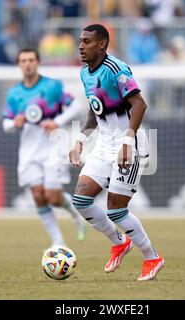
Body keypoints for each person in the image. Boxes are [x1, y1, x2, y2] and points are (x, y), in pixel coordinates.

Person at [69, 24, 164, 281]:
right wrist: (80, 140)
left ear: (102, 44)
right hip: (103, 145)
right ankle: (119, 242)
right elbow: (95, 108)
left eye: (87, 41)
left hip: (129, 145)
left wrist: (127, 141)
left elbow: (140, 104)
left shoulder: (117, 69)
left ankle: (152, 257)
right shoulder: (85, 74)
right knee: (81, 200)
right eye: (80, 41)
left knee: (116, 210)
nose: (81, 45)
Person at [2, 48, 86, 247]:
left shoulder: (52, 86)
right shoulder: (14, 93)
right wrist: (16, 123)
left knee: (52, 197)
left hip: (52, 148)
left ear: (38, 62)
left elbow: (76, 106)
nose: (27, 64)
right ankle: (59, 242)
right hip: (29, 150)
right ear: (19, 65)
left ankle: (76, 215)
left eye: (31, 60)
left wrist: (57, 121)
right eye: (23, 60)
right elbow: (6, 124)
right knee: (38, 196)